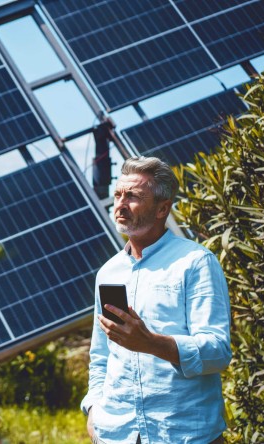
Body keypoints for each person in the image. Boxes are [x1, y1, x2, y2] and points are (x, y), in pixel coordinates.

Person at [81, 156, 232, 444]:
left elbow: (217, 351)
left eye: (133, 196)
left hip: (183, 434)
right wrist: (94, 409)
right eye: (118, 195)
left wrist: (150, 343)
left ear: (163, 208)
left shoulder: (195, 263)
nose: (120, 204)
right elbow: (101, 355)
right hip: (118, 433)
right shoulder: (109, 272)